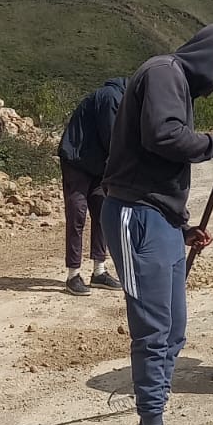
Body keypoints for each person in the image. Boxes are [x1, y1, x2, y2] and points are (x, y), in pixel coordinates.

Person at [102, 24, 213, 425]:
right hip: (135, 216)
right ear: (211, 60)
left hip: (159, 219)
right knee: (153, 330)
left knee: (174, 329)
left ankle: (154, 423)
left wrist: (182, 226)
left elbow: (156, 160)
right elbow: (162, 136)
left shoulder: (176, 82)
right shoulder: (164, 72)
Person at [58, 79, 127, 294]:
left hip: (97, 164)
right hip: (77, 161)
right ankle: (73, 275)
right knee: (77, 215)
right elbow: (113, 139)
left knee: (102, 213)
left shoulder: (121, 98)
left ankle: (99, 271)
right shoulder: (112, 97)